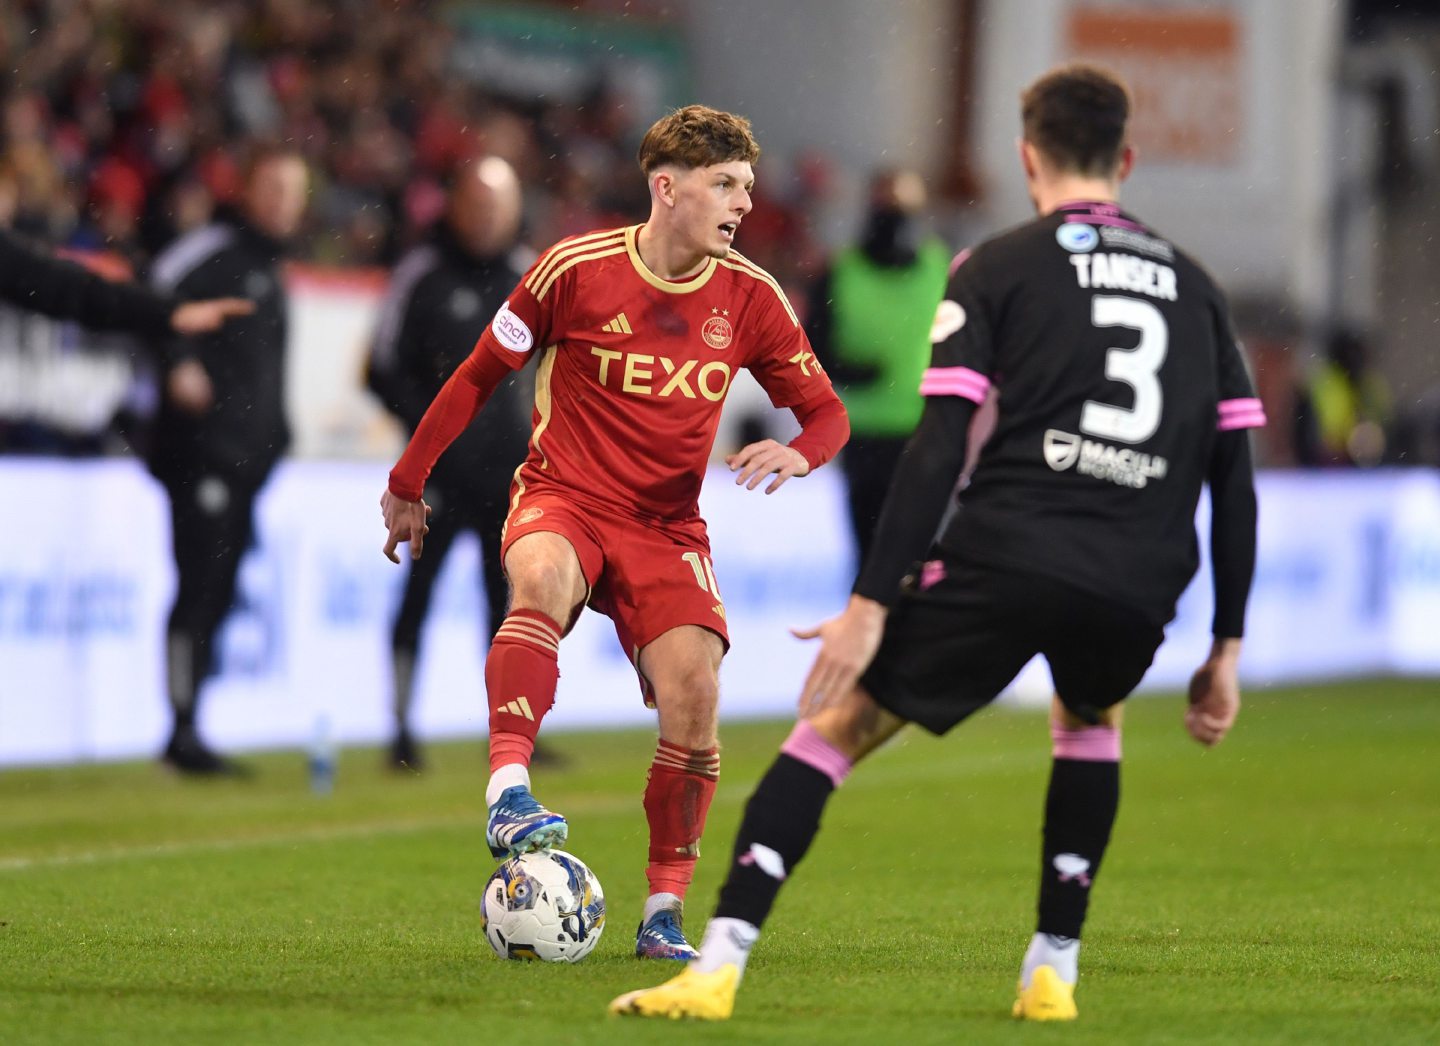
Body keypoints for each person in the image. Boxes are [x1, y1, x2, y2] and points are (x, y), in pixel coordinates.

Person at [611, 63, 1262, 1022]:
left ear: (1026, 155)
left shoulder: (996, 266)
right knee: (1090, 720)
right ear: (1124, 159)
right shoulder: (1199, 289)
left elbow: (941, 443)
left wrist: (871, 606)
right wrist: (1226, 649)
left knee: (833, 732)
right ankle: (1053, 971)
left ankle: (714, 967)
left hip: (1010, 548)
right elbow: (1234, 480)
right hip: (1138, 572)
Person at [380, 105, 850, 958]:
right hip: (564, 494)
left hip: (666, 526)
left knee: (696, 696)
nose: (744, 204)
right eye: (725, 185)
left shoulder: (751, 296)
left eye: (747, 186)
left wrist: (802, 453)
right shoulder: (573, 269)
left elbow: (828, 415)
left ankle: (663, 914)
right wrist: (407, 483)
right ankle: (510, 790)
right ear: (666, 189)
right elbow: (475, 377)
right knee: (540, 582)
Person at [366, 156, 535, 772]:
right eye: (478, 203)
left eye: (499, 206)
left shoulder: (529, 275)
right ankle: (402, 729)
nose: (488, 217)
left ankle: (511, 744)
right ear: (455, 206)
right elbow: (379, 368)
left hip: (509, 479)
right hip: (436, 481)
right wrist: (433, 433)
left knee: (512, 611)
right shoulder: (422, 274)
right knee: (419, 598)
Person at [146, 145, 310, 775]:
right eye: (271, 188)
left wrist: (279, 434)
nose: (281, 203)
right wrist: (177, 362)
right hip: (200, 455)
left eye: (292, 193)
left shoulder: (271, 268)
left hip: (247, 464)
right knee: (198, 587)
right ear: (245, 188)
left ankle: (190, 727)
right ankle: (181, 730)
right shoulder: (211, 252)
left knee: (217, 591)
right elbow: (151, 292)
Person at [806, 169, 950, 562]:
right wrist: (852, 371)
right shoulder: (840, 271)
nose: (896, 219)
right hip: (863, 435)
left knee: (918, 556)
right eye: (888, 208)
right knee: (870, 556)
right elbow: (810, 351)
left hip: (924, 433)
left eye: (904, 208)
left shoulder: (940, 267)